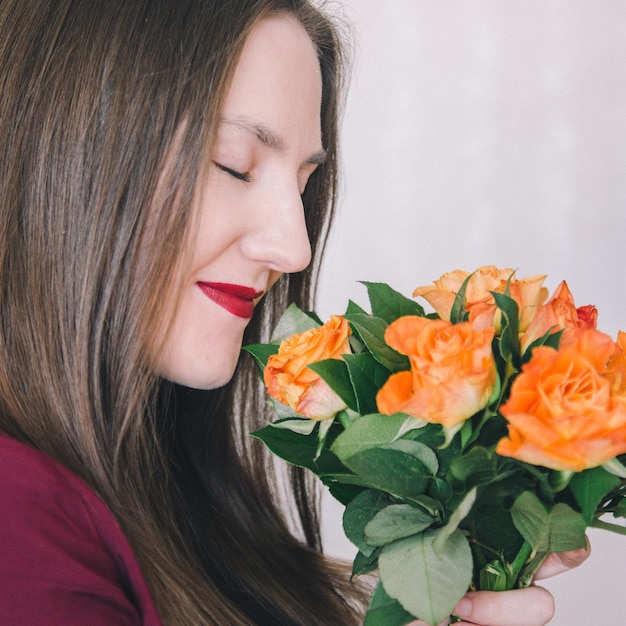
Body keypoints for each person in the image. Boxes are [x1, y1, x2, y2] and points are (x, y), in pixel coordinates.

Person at [0, 1, 587, 624]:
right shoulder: (18, 512)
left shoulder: (172, 495)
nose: (294, 248)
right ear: (59, 157)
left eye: (303, 186)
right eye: (234, 163)